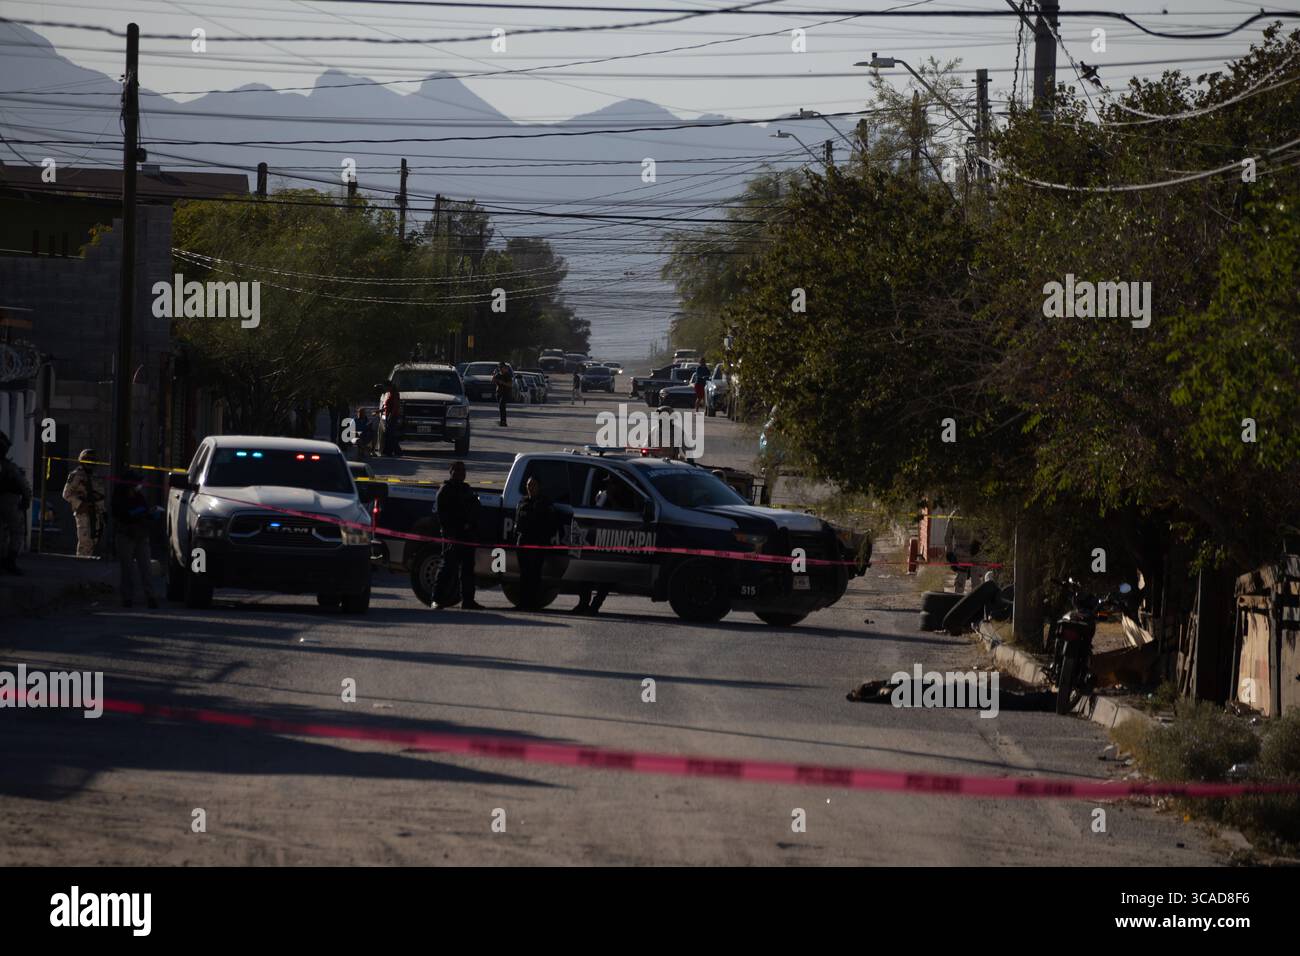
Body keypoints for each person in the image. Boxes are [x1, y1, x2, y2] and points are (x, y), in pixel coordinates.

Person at [431, 460, 483, 610]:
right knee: (447, 568)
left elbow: (476, 509)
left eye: (463, 470)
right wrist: (449, 534)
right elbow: (442, 516)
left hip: (467, 536)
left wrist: (472, 525)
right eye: (457, 470)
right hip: (452, 536)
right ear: (451, 472)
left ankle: (468, 600)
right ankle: (436, 599)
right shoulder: (445, 490)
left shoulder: (467, 489)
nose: (461, 473)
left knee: (468, 570)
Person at [111, 469, 158, 608]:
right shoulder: (119, 497)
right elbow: (120, 514)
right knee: (127, 569)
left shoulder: (139, 496)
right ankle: (127, 598)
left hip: (141, 536)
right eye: (136, 483)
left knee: (146, 568)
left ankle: (150, 597)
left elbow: (145, 511)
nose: (139, 485)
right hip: (126, 536)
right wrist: (133, 514)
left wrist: (151, 514)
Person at [513, 476, 557, 610]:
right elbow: (517, 523)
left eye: (533, 485)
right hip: (523, 542)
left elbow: (551, 525)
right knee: (524, 574)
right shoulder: (522, 502)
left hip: (538, 543)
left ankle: (533, 603)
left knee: (535, 575)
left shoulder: (545, 504)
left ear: (539, 486)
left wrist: (544, 539)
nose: (530, 487)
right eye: (528, 485)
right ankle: (522, 603)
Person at [0, 430, 32, 575]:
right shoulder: (8, 467)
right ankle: (10, 561)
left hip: (8, 500)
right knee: (17, 531)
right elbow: (23, 485)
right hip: (9, 500)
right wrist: (26, 499)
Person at [62, 448, 103, 557]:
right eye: (87, 459)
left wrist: (102, 511)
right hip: (83, 513)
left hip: (96, 513)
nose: (90, 462)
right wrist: (80, 504)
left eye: (92, 460)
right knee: (85, 542)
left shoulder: (95, 476)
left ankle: (88, 565)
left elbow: (100, 496)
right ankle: (82, 566)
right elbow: (66, 494)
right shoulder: (76, 475)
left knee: (93, 541)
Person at [380, 382, 402, 456]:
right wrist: (380, 411)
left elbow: (395, 407)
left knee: (390, 434)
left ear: (390, 386)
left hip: (392, 416)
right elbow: (386, 406)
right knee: (390, 434)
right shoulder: (388, 393)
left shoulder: (394, 394)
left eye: (385, 387)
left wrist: (390, 416)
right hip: (388, 415)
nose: (385, 388)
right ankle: (395, 451)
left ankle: (390, 451)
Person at [493, 362, 513, 426]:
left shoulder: (507, 375)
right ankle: (502, 421)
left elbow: (510, 384)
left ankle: (503, 421)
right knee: (501, 407)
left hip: (506, 393)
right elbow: (493, 381)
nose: (501, 369)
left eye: (502, 367)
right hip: (499, 393)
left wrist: (503, 382)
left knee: (502, 406)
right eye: (500, 367)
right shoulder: (498, 374)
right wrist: (494, 375)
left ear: (505, 368)